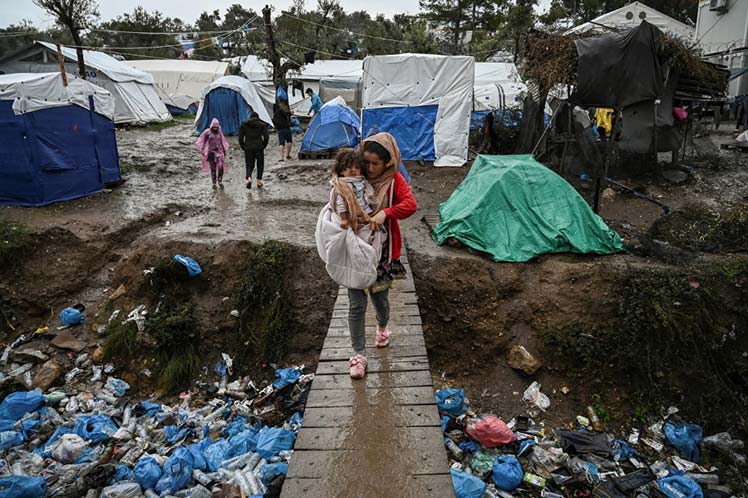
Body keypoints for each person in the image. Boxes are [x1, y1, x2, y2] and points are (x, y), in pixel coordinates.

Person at [346, 132, 417, 379]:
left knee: (380, 300)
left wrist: (386, 213)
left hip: (382, 255)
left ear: (388, 162)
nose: (370, 168)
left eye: (376, 163)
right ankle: (358, 355)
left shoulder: (395, 180)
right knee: (356, 305)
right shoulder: (355, 176)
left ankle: (382, 325)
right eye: (366, 161)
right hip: (354, 253)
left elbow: (410, 205)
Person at [330, 149, 373, 230]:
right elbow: (340, 202)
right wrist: (344, 219)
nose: (353, 170)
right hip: (349, 213)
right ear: (342, 171)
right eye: (349, 167)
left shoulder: (362, 182)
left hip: (364, 211)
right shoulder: (344, 185)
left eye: (357, 167)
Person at [196, 118, 229, 190]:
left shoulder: (219, 132)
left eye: (216, 127)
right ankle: (214, 183)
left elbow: (222, 141)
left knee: (220, 167)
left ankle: (220, 181)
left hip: (219, 152)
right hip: (211, 152)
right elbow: (202, 140)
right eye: (213, 126)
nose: (215, 128)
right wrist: (202, 149)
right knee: (213, 168)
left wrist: (224, 150)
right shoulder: (207, 132)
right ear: (211, 126)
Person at [238, 112, 269, 189]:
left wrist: (243, 146)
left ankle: (249, 178)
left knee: (249, 164)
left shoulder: (244, 125)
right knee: (260, 164)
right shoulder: (262, 125)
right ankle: (259, 181)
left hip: (248, 147)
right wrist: (264, 145)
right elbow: (266, 137)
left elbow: (240, 137)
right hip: (259, 146)